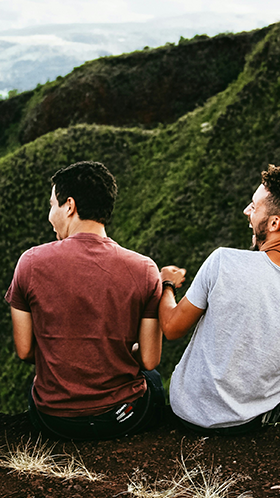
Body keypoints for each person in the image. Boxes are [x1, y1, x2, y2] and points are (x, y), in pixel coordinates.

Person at [159, 164, 280, 435]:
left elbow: (172, 328)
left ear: (274, 223)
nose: (247, 211)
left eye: (254, 206)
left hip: (187, 413)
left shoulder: (223, 261)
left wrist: (167, 284)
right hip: (250, 423)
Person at [5, 161, 165, 440]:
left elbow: (25, 351)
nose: (49, 215)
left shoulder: (30, 263)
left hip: (54, 420)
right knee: (154, 380)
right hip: (121, 418)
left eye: (52, 205)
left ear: (69, 206)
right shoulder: (145, 269)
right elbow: (150, 359)